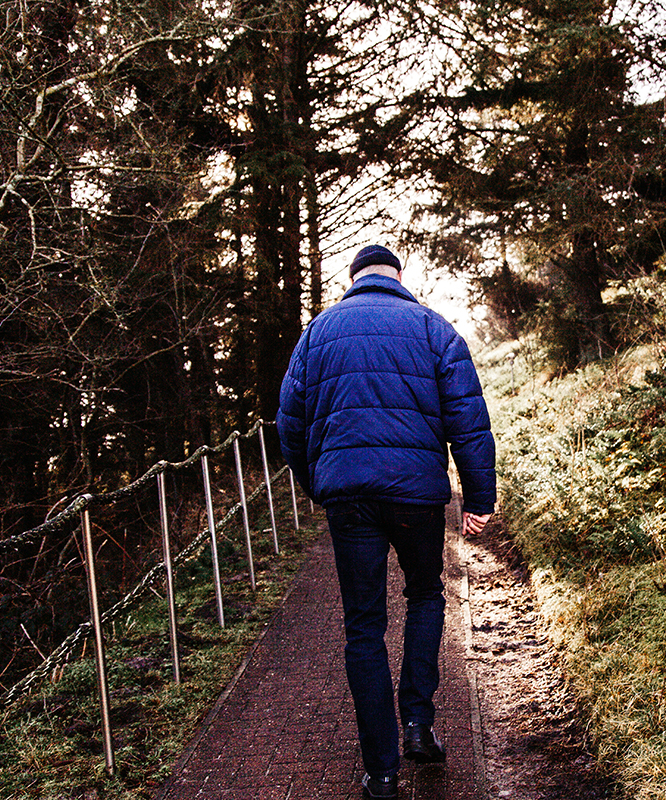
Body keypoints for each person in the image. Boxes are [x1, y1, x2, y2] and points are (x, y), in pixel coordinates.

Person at [276, 244, 496, 800]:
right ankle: (419, 723)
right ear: (398, 276)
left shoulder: (317, 335)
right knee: (425, 596)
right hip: (418, 494)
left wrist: (318, 481)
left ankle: (381, 771)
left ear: (354, 280)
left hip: (349, 498)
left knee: (364, 627)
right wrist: (478, 497)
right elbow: (468, 420)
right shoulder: (433, 329)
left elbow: (290, 424)